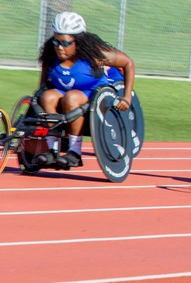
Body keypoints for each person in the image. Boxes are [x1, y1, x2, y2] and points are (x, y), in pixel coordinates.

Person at [35, 11, 135, 169]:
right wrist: (39, 92)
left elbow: (128, 63)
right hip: (62, 91)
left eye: (66, 43)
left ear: (78, 41)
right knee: (47, 97)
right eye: (56, 41)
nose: (60, 48)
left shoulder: (95, 54)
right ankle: (52, 151)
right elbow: (45, 73)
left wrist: (127, 96)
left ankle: (75, 153)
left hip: (91, 92)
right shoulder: (51, 52)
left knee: (71, 98)